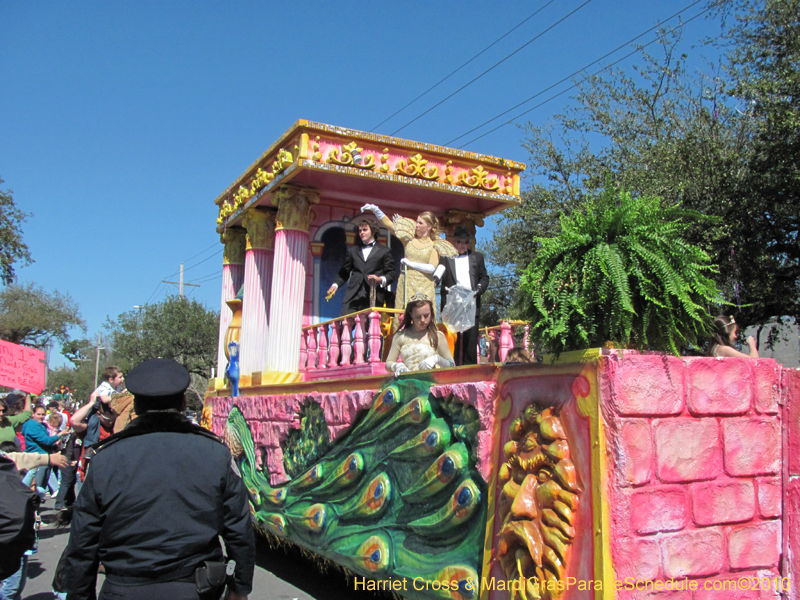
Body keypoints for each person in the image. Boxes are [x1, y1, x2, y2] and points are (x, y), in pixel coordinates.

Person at [64, 358, 254, 600]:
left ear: (138, 407)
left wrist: (80, 595)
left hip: (123, 588)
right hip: (195, 589)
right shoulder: (214, 453)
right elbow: (238, 527)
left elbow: (82, 541)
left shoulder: (106, 458)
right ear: (184, 403)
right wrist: (240, 587)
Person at [360, 204, 456, 319]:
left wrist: (410, 263)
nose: (417, 225)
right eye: (417, 222)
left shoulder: (435, 245)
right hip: (406, 283)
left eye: (420, 223)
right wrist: (376, 209)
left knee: (422, 318)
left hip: (424, 286)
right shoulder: (409, 240)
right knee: (403, 317)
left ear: (429, 226)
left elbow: (431, 268)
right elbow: (389, 225)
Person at [434, 226, 490, 365]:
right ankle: (451, 370)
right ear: (454, 242)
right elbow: (438, 275)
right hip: (452, 304)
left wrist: (478, 289)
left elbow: (484, 277)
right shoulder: (446, 258)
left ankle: (469, 372)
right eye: (459, 242)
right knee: (452, 339)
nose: (462, 245)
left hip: (471, 302)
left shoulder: (477, 257)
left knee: (470, 341)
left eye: (465, 242)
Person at [326, 216, 395, 315]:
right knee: (346, 323)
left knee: (369, 327)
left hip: (373, 295)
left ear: (373, 231)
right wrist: (335, 285)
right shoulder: (353, 251)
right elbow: (344, 272)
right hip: (353, 295)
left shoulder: (384, 251)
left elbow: (391, 274)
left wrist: (379, 279)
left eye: (365, 230)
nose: (361, 232)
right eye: (360, 231)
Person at [385, 293, 455, 374]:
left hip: (429, 382)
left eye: (426, 316)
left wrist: (438, 359)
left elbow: (452, 364)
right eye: (418, 317)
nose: (422, 320)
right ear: (411, 314)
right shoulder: (401, 336)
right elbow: (388, 363)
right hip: (406, 381)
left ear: (431, 314)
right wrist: (396, 366)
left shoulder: (437, 336)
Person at [20, 405, 70, 497]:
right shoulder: (33, 425)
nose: (41, 416)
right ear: (33, 414)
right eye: (38, 414)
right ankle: (33, 509)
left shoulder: (41, 425)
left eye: (43, 414)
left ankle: (36, 507)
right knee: (37, 487)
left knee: (41, 487)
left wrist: (55, 445)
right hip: (38, 457)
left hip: (45, 457)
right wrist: (60, 435)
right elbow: (46, 441)